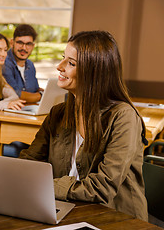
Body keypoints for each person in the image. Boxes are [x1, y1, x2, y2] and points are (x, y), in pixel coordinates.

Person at [19, 30, 148, 221]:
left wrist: (41, 185)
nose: (59, 67)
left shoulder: (123, 117)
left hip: (115, 219)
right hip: (67, 212)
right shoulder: (58, 113)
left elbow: (102, 187)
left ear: (95, 72)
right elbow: (29, 163)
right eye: (64, 58)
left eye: (71, 63)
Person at [3, 24, 43, 103]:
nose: (24, 48)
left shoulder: (30, 65)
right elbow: (16, 95)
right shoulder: (4, 63)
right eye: (20, 43)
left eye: (28, 44)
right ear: (12, 43)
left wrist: (47, 92)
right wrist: (42, 95)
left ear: (33, 46)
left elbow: (35, 90)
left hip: (27, 110)